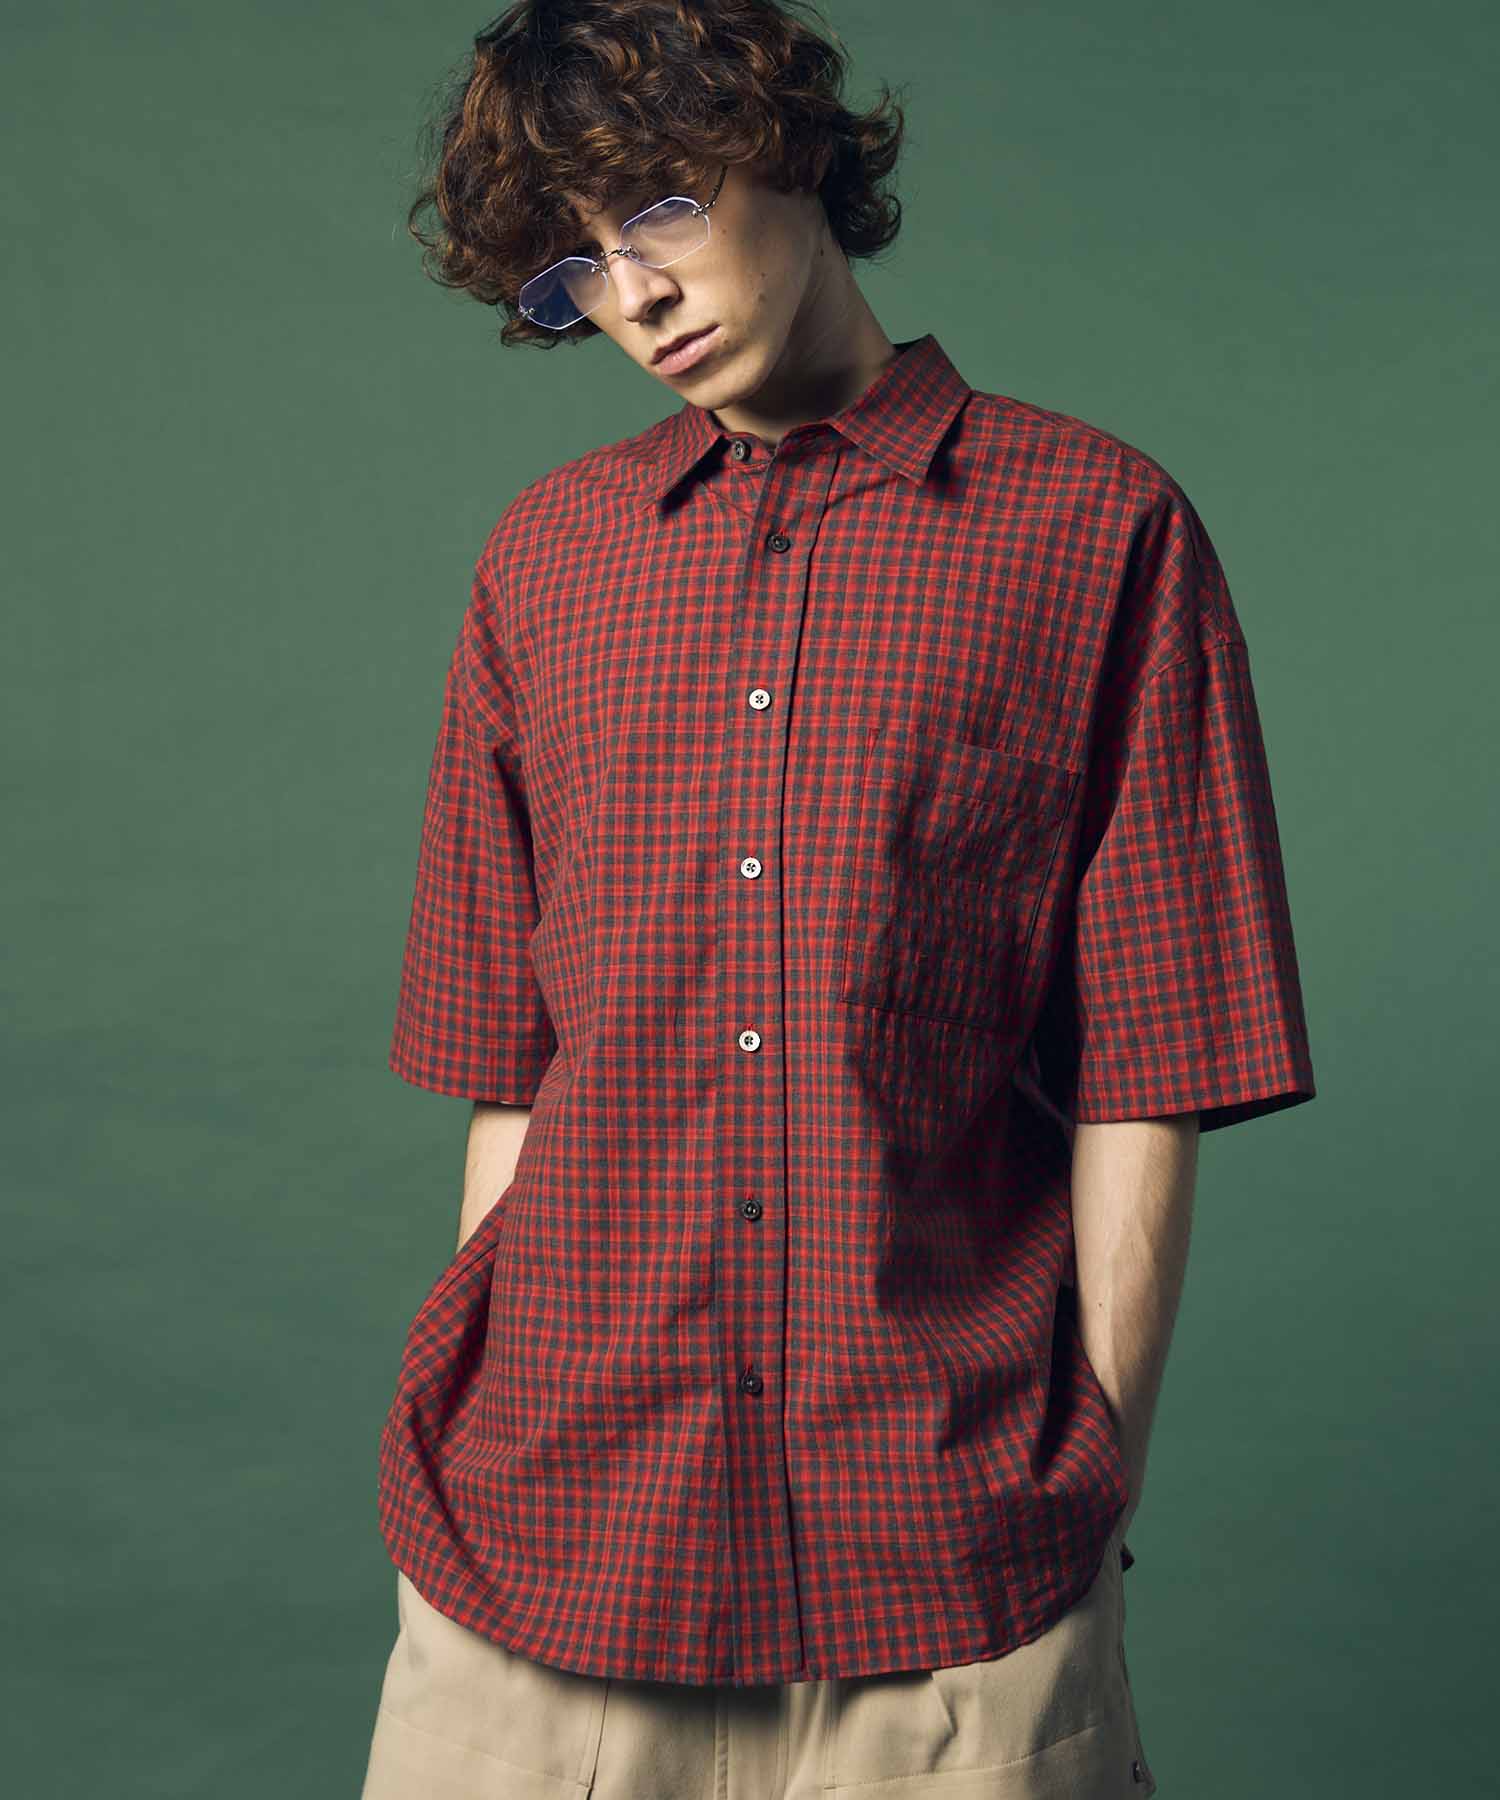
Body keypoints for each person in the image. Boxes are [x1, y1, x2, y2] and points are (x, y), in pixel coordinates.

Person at [360, 2, 1317, 1794]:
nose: (634, 295)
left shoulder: (1098, 531)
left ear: (786, 147)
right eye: (574, 269)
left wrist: (1087, 1484)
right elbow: (514, 1076)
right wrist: (484, 1409)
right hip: (545, 1551)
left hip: (948, 1566)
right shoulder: (544, 564)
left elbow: (1155, 1070)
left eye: (656, 207)